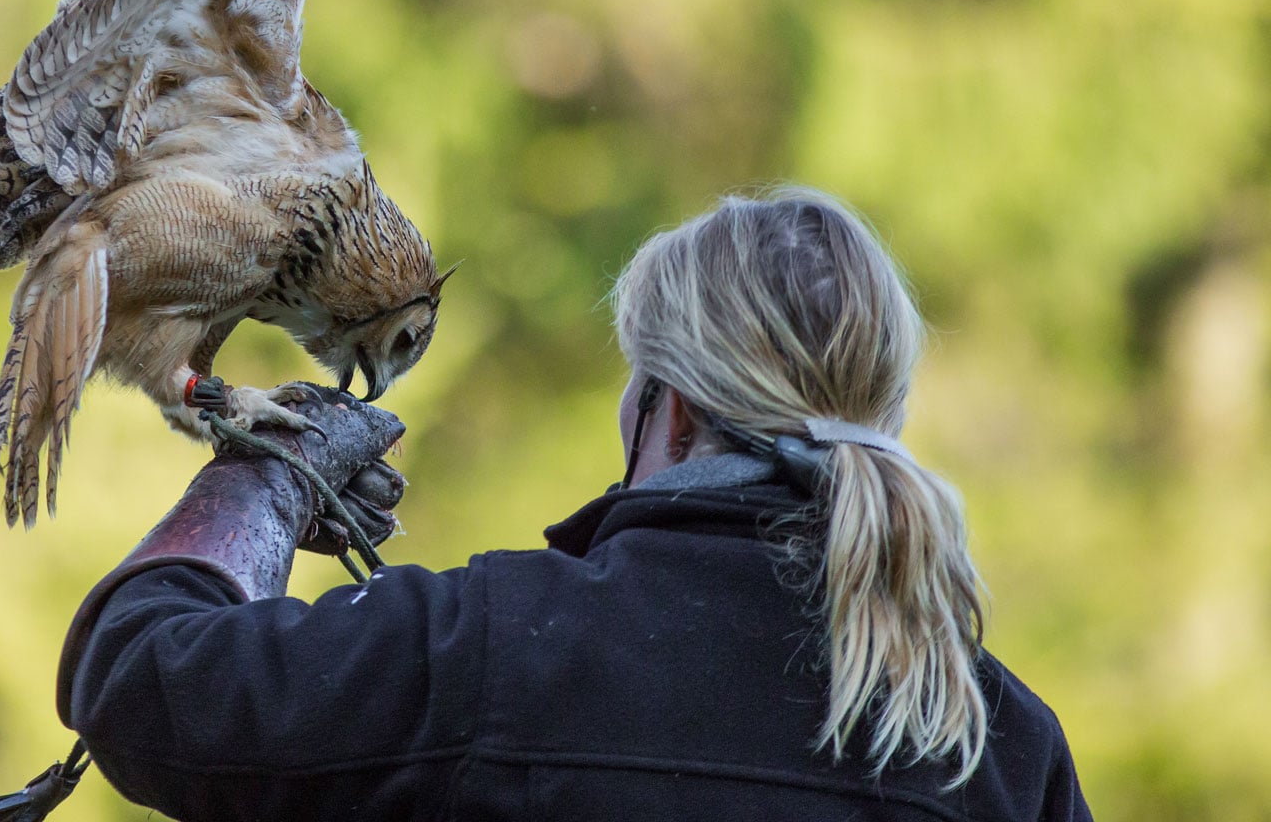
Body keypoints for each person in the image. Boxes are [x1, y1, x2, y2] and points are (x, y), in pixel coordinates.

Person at [56, 187, 1092, 820]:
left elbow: (135, 675)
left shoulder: (497, 650)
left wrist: (273, 471)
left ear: (668, 411)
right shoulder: (999, 747)